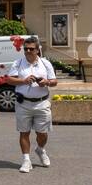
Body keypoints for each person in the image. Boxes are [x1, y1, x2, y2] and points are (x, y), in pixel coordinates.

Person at [9, 37, 57, 173]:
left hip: (42, 103)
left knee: (43, 133)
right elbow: (10, 80)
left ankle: (40, 149)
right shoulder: (18, 63)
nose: (28, 51)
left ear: (37, 50)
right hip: (23, 103)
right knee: (24, 132)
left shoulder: (45, 63)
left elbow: (54, 81)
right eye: (26, 49)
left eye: (31, 49)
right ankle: (26, 160)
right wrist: (24, 80)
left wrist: (46, 82)